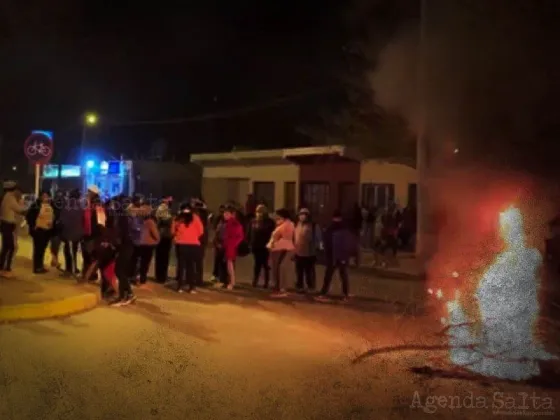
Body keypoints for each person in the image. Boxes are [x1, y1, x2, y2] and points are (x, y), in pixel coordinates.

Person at [316, 210, 355, 302]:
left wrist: (325, 254)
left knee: (329, 275)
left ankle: (324, 292)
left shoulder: (330, 228)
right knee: (343, 275)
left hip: (332, 256)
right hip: (342, 256)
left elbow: (326, 243)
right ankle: (345, 294)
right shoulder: (346, 229)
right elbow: (349, 244)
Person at [110, 195, 137, 306]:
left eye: (114, 203)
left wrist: (116, 244)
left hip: (126, 246)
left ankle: (124, 296)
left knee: (119, 270)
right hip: (127, 246)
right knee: (120, 271)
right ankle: (128, 294)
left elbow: (122, 234)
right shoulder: (124, 215)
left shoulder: (122, 217)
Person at [172, 205, 204, 293]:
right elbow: (201, 231)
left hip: (181, 244)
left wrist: (179, 236)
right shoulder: (195, 218)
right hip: (193, 244)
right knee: (191, 266)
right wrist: (193, 236)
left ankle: (180, 286)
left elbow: (172, 231)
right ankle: (191, 287)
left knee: (181, 266)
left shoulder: (178, 218)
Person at [267, 208, 295, 298]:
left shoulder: (288, 225)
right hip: (278, 249)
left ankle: (282, 288)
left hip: (282, 249)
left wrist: (275, 242)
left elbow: (285, 238)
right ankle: (278, 287)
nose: (275, 217)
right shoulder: (282, 224)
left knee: (281, 268)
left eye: (277, 215)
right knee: (276, 268)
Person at [0, 181, 26, 277]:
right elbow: (19, 210)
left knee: (6, 247)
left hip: (5, 224)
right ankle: (7, 269)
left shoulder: (6, 197)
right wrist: (27, 208)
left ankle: (2, 267)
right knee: (11, 247)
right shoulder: (10, 198)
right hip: (7, 225)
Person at [26, 191, 55, 274]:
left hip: (47, 231)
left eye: (47, 196)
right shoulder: (35, 206)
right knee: (38, 250)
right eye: (43, 196)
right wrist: (33, 226)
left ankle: (40, 266)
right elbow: (29, 217)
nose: (45, 197)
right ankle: (37, 267)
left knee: (42, 249)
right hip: (39, 231)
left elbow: (53, 216)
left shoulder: (51, 205)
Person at [294, 208, 322, 293]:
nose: (302, 216)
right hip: (298, 252)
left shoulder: (313, 226)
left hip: (309, 253)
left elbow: (318, 238)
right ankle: (300, 286)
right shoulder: (298, 224)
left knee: (309, 272)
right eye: (300, 214)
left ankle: (310, 287)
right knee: (299, 271)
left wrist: (318, 248)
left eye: (304, 214)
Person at [247, 204, 275, 288]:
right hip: (255, 246)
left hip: (265, 246)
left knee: (265, 264)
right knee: (257, 264)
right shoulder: (253, 221)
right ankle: (255, 281)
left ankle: (266, 282)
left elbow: (271, 234)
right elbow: (249, 233)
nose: (258, 214)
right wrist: (249, 243)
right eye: (257, 212)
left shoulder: (269, 222)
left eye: (260, 212)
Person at [82, 186, 104, 281]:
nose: (87, 193)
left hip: (94, 234)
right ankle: (89, 274)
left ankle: (90, 274)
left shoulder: (98, 205)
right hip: (87, 233)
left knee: (91, 255)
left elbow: (101, 221)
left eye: (89, 192)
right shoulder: (88, 203)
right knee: (87, 255)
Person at [60, 189, 84, 276]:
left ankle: (71, 270)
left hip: (70, 233)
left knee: (69, 251)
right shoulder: (80, 206)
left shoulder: (68, 205)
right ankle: (72, 268)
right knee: (72, 251)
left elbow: (63, 219)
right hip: (77, 233)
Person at [136, 204, 159, 286]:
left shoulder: (137, 220)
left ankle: (136, 277)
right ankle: (142, 279)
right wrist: (157, 240)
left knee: (139, 261)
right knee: (145, 263)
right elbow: (155, 233)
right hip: (148, 244)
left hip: (139, 243)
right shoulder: (150, 222)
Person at [221, 205, 244, 290]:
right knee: (229, 264)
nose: (225, 215)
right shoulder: (228, 223)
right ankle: (230, 282)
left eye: (227, 213)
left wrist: (233, 244)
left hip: (230, 246)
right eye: (224, 213)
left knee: (230, 265)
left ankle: (232, 282)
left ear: (232, 214)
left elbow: (240, 236)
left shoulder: (234, 223)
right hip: (228, 245)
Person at [155, 196, 173, 283]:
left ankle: (160, 276)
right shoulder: (163, 208)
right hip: (164, 236)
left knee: (161, 257)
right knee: (163, 257)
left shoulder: (162, 209)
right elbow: (165, 221)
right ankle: (161, 277)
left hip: (162, 236)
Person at [191, 198, 209, 287]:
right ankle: (196, 279)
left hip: (199, 239)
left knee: (197, 260)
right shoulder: (200, 214)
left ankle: (197, 279)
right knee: (197, 261)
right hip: (197, 239)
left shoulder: (201, 215)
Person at [49, 190, 65, 269]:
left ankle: (54, 261)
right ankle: (55, 261)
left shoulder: (53, 206)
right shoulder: (60, 209)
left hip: (54, 229)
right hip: (56, 229)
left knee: (54, 246)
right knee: (55, 246)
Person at [209, 205, 225, 282]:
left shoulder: (227, 221)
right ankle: (215, 275)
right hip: (218, 242)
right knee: (217, 259)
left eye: (223, 211)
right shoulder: (218, 219)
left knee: (223, 260)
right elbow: (215, 230)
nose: (222, 213)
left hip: (224, 243)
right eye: (221, 211)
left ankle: (222, 277)